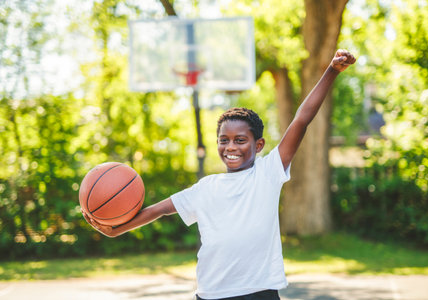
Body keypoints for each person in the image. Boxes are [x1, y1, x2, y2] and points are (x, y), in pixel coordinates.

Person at [82, 49, 356, 300]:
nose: (230, 147)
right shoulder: (205, 187)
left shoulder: (268, 172)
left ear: (258, 145)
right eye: (224, 140)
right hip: (211, 293)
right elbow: (158, 210)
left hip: (258, 291)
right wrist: (116, 229)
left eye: (240, 140)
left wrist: (331, 70)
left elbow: (302, 119)